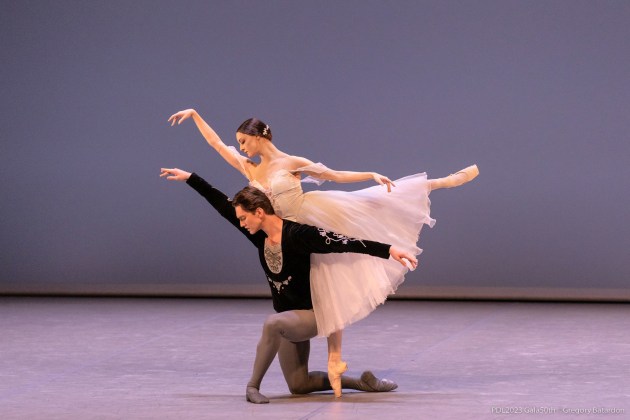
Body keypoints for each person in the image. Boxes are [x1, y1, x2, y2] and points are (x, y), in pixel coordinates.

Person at [168, 109, 478, 397]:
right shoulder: (249, 168)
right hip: (283, 231)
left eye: (245, 141)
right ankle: (339, 367)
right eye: (240, 144)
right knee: (323, 290)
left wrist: (368, 174)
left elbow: (331, 174)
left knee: (371, 208)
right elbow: (217, 145)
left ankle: (438, 183)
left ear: (260, 136)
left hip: (308, 220)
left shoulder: (290, 163)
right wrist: (195, 115)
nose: (242, 148)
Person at [160, 167, 413, 403]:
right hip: (289, 320)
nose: (241, 223)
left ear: (259, 212)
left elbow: (345, 241)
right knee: (298, 384)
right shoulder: (259, 237)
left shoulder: (299, 235)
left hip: (313, 316)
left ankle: (252, 387)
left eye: (244, 218)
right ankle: (361, 383)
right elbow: (220, 204)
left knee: (272, 323)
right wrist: (191, 178)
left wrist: (390, 249)